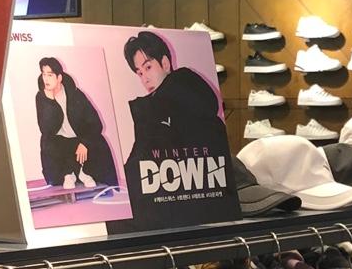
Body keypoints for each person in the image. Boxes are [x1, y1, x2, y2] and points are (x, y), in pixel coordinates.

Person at [120, 31, 236, 227]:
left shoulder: (158, 109)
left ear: (165, 63)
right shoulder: (191, 103)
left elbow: (141, 161)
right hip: (209, 208)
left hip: (181, 214)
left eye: (148, 67)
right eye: (139, 73)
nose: (145, 78)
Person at [35, 57, 117, 189]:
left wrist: (85, 143)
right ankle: (69, 174)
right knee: (47, 141)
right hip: (59, 144)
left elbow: (95, 123)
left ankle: (83, 172)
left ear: (59, 77)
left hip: (78, 140)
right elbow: (46, 130)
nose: (46, 79)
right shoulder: (41, 97)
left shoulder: (76, 95)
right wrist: (50, 102)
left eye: (50, 75)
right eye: (44, 74)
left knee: (98, 141)